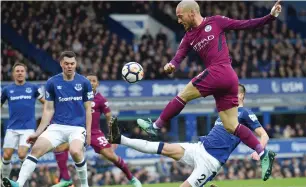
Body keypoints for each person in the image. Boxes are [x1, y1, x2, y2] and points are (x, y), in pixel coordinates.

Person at [137, 0, 281, 180]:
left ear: (191, 13)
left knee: (183, 96)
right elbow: (178, 56)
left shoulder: (216, 21)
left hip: (220, 71)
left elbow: (245, 24)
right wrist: (171, 65)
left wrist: (270, 17)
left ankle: (155, 126)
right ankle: (262, 152)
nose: (179, 21)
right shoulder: (188, 36)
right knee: (231, 126)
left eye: (180, 17)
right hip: (228, 79)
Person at [110, 84, 275, 187]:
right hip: (199, 148)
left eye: (234, 93)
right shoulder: (225, 112)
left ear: (241, 95)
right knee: (162, 148)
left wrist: (259, 150)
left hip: (211, 162)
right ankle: (120, 138)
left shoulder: (245, 112)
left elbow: (264, 135)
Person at [2, 51, 93, 187]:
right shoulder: (52, 82)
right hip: (56, 127)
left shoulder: (84, 82)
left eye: (72, 64)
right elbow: (48, 109)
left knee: (75, 151)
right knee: (36, 149)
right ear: (61, 64)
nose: (69, 66)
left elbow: (88, 109)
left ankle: (85, 185)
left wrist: (89, 132)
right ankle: (19, 184)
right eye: (67, 63)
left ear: (76, 64)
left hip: (77, 128)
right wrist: (38, 132)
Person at [51, 74, 142, 187]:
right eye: (89, 80)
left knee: (111, 156)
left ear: (97, 84)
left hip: (94, 133)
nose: (91, 83)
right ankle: (65, 179)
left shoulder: (100, 99)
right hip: (75, 130)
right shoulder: (76, 96)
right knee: (59, 147)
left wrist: (113, 135)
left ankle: (132, 178)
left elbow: (109, 116)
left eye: (94, 81)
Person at [1, 63, 45, 179]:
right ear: (13, 74)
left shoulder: (33, 88)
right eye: (17, 71)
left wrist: (48, 116)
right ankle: (4, 180)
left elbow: (45, 103)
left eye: (22, 71)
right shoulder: (7, 90)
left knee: (21, 154)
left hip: (28, 128)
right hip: (12, 128)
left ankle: (23, 180)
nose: (20, 73)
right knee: (6, 156)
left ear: (25, 73)